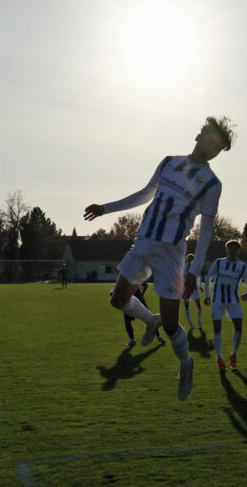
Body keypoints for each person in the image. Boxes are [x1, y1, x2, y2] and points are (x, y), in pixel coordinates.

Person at [84, 115, 235, 400]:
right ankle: (148, 320)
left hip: (171, 252)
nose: (211, 147)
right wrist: (106, 208)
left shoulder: (212, 183)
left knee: (171, 324)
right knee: (117, 299)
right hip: (143, 242)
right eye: (210, 140)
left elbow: (206, 230)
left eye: (217, 147)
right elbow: (145, 194)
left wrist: (195, 270)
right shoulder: (169, 162)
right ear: (198, 136)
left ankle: (186, 364)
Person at [204, 240, 247, 372]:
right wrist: (207, 296)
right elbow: (208, 277)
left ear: (239, 251)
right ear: (226, 250)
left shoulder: (242, 266)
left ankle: (233, 354)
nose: (233, 251)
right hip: (218, 300)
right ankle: (219, 358)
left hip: (233, 300)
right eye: (230, 249)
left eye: (236, 249)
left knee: (239, 327)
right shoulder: (219, 262)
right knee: (217, 328)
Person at [121, 282, 165, 348]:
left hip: (130, 301)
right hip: (138, 300)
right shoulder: (137, 274)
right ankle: (159, 337)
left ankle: (132, 340)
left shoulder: (126, 275)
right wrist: (142, 294)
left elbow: (145, 285)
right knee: (150, 320)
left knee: (128, 322)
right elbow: (145, 285)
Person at [183, 253, 204, 331]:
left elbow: (200, 276)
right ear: (187, 259)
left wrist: (200, 286)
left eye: (192, 259)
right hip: (185, 288)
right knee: (186, 305)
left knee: (198, 304)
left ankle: (199, 320)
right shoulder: (184, 267)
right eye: (189, 259)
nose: (190, 260)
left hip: (194, 288)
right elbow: (182, 277)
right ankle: (190, 322)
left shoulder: (196, 267)